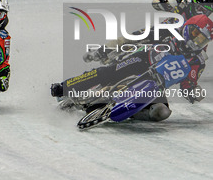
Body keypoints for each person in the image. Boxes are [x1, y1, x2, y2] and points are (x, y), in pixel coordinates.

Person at [51, 14, 213, 122]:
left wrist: (193, 93)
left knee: (161, 112)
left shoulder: (197, 60)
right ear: (189, 29)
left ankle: (130, 110)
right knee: (108, 72)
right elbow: (137, 35)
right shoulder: (169, 30)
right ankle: (65, 87)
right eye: (197, 36)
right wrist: (106, 50)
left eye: (203, 41)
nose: (197, 43)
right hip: (140, 61)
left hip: (157, 84)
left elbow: (189, 83)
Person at [85, 0, 213, 64]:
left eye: (207, 11)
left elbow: (201, 46)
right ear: (194, 2)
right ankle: (101, 51)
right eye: (200, 8)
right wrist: (170, 3)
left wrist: (199, 55)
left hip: (178, 44)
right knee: (131, 37)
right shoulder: (183, 3)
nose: (202, 13)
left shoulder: (204, 24)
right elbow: (156, 2)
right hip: (163, 29)